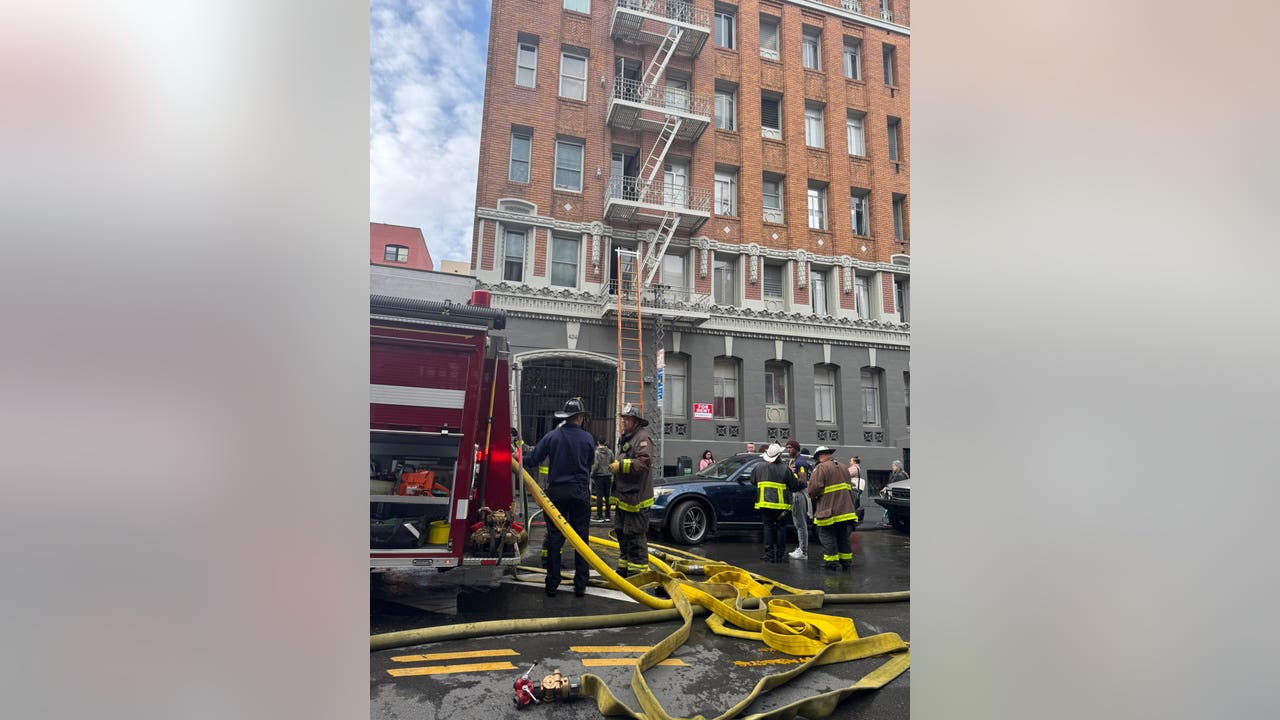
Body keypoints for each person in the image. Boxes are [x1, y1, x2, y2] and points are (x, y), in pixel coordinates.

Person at [523, 398, 596, 598]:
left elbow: (533, 459)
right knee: (581, 538)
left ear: (565, 416)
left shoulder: (552, 436)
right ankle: (580, 585)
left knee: (555, 538)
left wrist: (515, 457)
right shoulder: (588, 439)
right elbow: (590, 463)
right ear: (580, 417)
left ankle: (552, 584)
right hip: (580, 492)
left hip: (556, 493)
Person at [610, 403, 654, 576]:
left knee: (635, 536)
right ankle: (624, 567)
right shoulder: (627, 438)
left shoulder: (642, 438)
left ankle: (638, 574)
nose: (624, 422)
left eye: (627, 419)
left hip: (637, 499)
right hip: (625, 498)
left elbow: (643, 464)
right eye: (623, 419)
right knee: (622, 533)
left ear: (636, 421)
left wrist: (620, 466)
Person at [807, 446, 859, 571]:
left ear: (820, 456)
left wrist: (812, 494)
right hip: (845, 510)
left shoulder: (821, 468)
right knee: (843, 536)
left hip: (829, 510)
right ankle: (846, 561)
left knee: (827, 535)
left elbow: (814, 489)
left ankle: (831, 562)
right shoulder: (843, 467)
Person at [752, 443, 792, 563]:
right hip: (781, 506)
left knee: (768, 527)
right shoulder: (785, 468)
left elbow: (753, 480)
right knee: (781, 528)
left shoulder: (759, 467)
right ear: (779, 455)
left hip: (764, 504)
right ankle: (780, 555)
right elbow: (793, 484)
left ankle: (769, 555)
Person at [784, 439, 813, 560]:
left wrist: (791, 474)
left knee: (801, 523)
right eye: (787, 447)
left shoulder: (800, 462)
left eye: (790, 448)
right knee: (797, 523)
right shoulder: (793, 460)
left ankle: (803, 551)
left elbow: (802, 480)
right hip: (794, 494)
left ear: (796, 449)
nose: (788, 450)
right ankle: (801, 548)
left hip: (798, 494)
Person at [590, 435, 614, 522]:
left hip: (599, 477)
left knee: (599, 497)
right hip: (608, 476)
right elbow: (613, 463)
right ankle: (608, 516)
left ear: (598, 442)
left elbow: (595, 465)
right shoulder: (610, 452)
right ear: (606, 442)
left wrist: (592, 474)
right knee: (607, 497)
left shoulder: (596, 453)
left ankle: (599, 516)